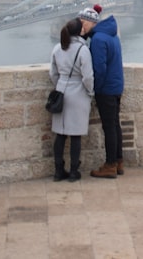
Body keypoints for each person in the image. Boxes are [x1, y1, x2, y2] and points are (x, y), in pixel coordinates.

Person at [79, 6, 125, 178]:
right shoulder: (112, 35)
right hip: (116, 85)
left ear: (91, 22)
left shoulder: (98, 39)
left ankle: (110, 164)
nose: (81, 27)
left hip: (105, 89)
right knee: (115, 125)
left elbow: (99, 69)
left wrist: (94, 90)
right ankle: (119, 161)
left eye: (83, 23)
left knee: (109, 128)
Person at [49, 17, 94, 182]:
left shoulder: (57, 48)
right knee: (76, 135)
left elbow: (52, 74)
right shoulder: (83, 50)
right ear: (80, 31)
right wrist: (90, 92)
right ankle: (74, 171)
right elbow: (88, 76)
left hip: (61, 90)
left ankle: (58, 171)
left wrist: (60, 85)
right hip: (78, 94)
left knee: (60, 134)